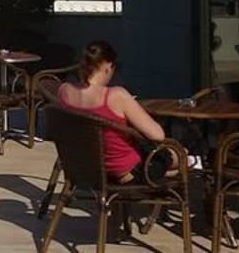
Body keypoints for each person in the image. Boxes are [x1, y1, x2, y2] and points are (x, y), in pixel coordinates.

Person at [57, 40, 173, 183]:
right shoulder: (116, 95)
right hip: (124, 172)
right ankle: (191, 163)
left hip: (86, 168)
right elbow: (158, 135)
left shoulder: (64, 91)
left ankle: (188, 162)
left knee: (170, 159)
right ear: (108, 67)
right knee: (172, 155)